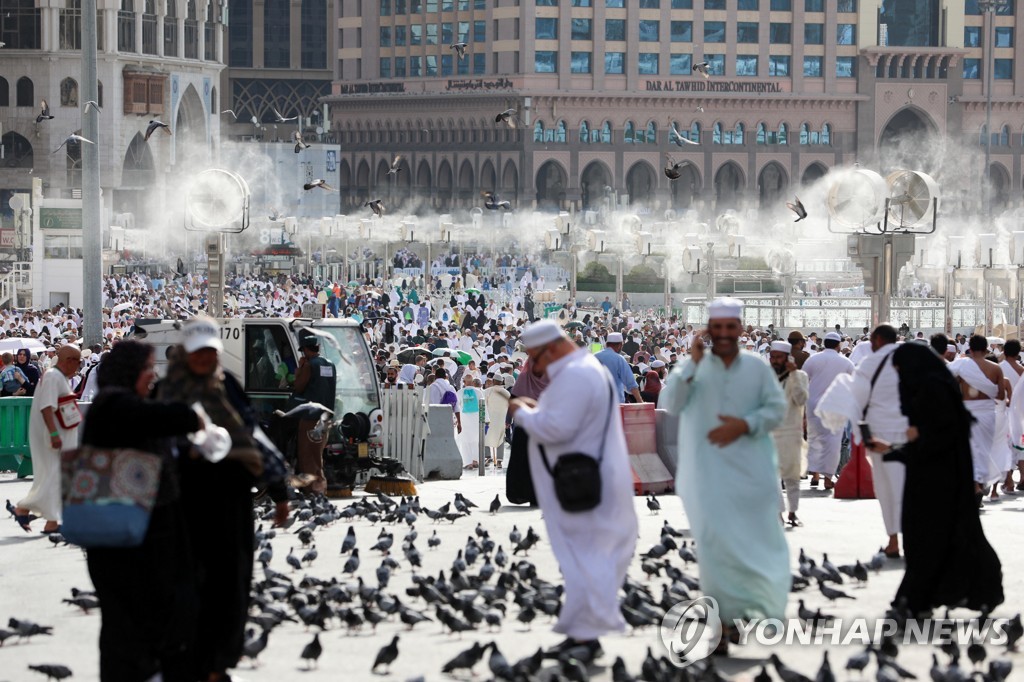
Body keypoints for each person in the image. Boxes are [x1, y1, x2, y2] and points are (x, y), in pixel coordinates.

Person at [157, 316, 288, 682]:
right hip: (182, 505)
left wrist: (279, 491)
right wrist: (190, 449)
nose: (204, 360)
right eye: (197, 353)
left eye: (210, 353)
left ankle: (217, 664)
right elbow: (156, 445)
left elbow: (251, 436)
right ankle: (191, 663)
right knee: (186, 585)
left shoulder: (227, 386)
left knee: (230, 584)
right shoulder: (167, 391)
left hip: (230, 503)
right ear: (185, 353)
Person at [660, 298, 789, 653]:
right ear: (708, 330)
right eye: (717, 328)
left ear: (740, 330)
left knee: (753, 546)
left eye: (730, 328)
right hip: (707, 475)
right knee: (716, 550)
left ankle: (749, 613)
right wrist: (693, 365)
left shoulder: (757, 368)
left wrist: (745, 425)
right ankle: (723, 624)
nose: (724, 334)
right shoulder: (690, 366)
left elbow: (776, 409)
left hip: (751, 473)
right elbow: (672, 403)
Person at [509, 320, 637, 657]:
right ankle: (581, 632)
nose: (534, 367)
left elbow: (557, 428)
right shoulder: (584, 369)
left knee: (585, 559)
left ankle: (586, 639)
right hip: (582, 481)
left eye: (534, 358)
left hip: (582, 485)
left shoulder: (577, 375)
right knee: (581, 560)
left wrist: (522, 413)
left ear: (550, 349)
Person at [81, 340, 204, 682]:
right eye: (149, 367)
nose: (153, 375)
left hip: (138, 537)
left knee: (139, 625)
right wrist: (193, 413)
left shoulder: (126, 405)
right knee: (130, 627)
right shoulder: (113, 404)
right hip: (126, 543)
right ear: (130, 370)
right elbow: (174, 418)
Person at [872, 343, 1003, 616]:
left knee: (930, 541)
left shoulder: (932, 390)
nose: (901, 377)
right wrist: (898, 449)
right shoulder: (932, 386)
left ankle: (916, 600)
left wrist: (905, 446)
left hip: (938, 483)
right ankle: (920, 599)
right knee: (931, 542)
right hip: (931, 478)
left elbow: (937, 438)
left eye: (901, 371)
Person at [12, 345, 82, 533]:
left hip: (60, 436)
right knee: (54, 476)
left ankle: (51, 521)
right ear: (69, 361)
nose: (78, 367)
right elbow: (46, 407)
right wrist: (53, 434)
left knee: (57, 477)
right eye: (78, 362)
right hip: (54, 437)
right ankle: (24, 507)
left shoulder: (57, 377)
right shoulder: (53, 376)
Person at [949, 335, 1005, 505]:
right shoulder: (996, 369)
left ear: (970, 349)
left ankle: (974, 486)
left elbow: (951, 388)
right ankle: (979, 485)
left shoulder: (962, 366)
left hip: (967, 413)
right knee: (983, 451)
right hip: (988, 413)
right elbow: (1001, 395)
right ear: (987, 349)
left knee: (970, 451)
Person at [801, 331, 854, 490]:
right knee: (832, 443)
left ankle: (815, 475)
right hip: (834, 406)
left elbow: (802, 380)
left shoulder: (813, 359)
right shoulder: (845, 362)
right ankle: (828, 478)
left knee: (814, 439)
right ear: (838, 345)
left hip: (813, 404)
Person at [768, 341, 809, 527]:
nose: (775, 361)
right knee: (771, 476)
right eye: (773, 357)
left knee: (792, 476)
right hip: (768, 433)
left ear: (788, 358)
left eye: (779, 357)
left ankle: (793, 512)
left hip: (791, 432)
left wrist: (792, 374)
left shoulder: (800, 376)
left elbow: (800, 399)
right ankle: (778, 512)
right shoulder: (766, 377)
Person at [290, 334, 337, 493]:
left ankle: (313, 490)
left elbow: (298, 386)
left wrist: (300, 369)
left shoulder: (310, 365)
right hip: (326, 417)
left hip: (310, 418)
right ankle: (320, 488)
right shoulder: (330, 365)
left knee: (307, 455)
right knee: (318, 455)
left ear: (305, 350)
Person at [594, 332, 643, 403]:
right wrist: (640, 402)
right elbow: (631, 384)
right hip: (615, 404)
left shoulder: (594, 356)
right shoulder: (619, 359)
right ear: (620, 345)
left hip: (596, 403)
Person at [456, 377, 485, 469]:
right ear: (472, 382)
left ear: (464, 382)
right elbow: (483, 407)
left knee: (465, 442)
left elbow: (456, 407)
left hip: (464, 420)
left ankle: (468, 463)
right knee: (476, 440)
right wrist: (484, 420)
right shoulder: (479, 392)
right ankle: (475, 460)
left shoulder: (459, 392)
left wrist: (456, 420)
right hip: (476, 420)